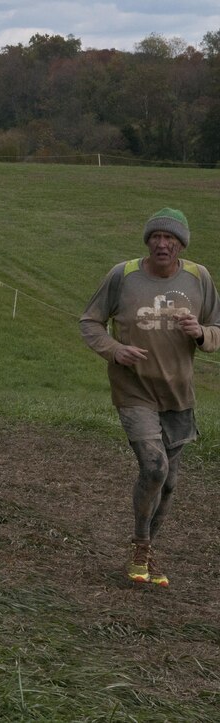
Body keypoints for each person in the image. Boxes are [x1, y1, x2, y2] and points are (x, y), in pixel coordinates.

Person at [80, 208, 220, 587]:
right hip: (134, 390)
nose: (161, 244)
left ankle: (147, 551)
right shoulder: (122, 275)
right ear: (148, 242)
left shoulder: (198, 277)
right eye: (155, 237)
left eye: (169, 239)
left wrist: (201, 333)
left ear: (180, 244)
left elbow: (217, 330)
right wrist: (114, 350)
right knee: (154, 468)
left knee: (170, 483)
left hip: (179, 396)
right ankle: (140, 544)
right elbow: (90, 322)